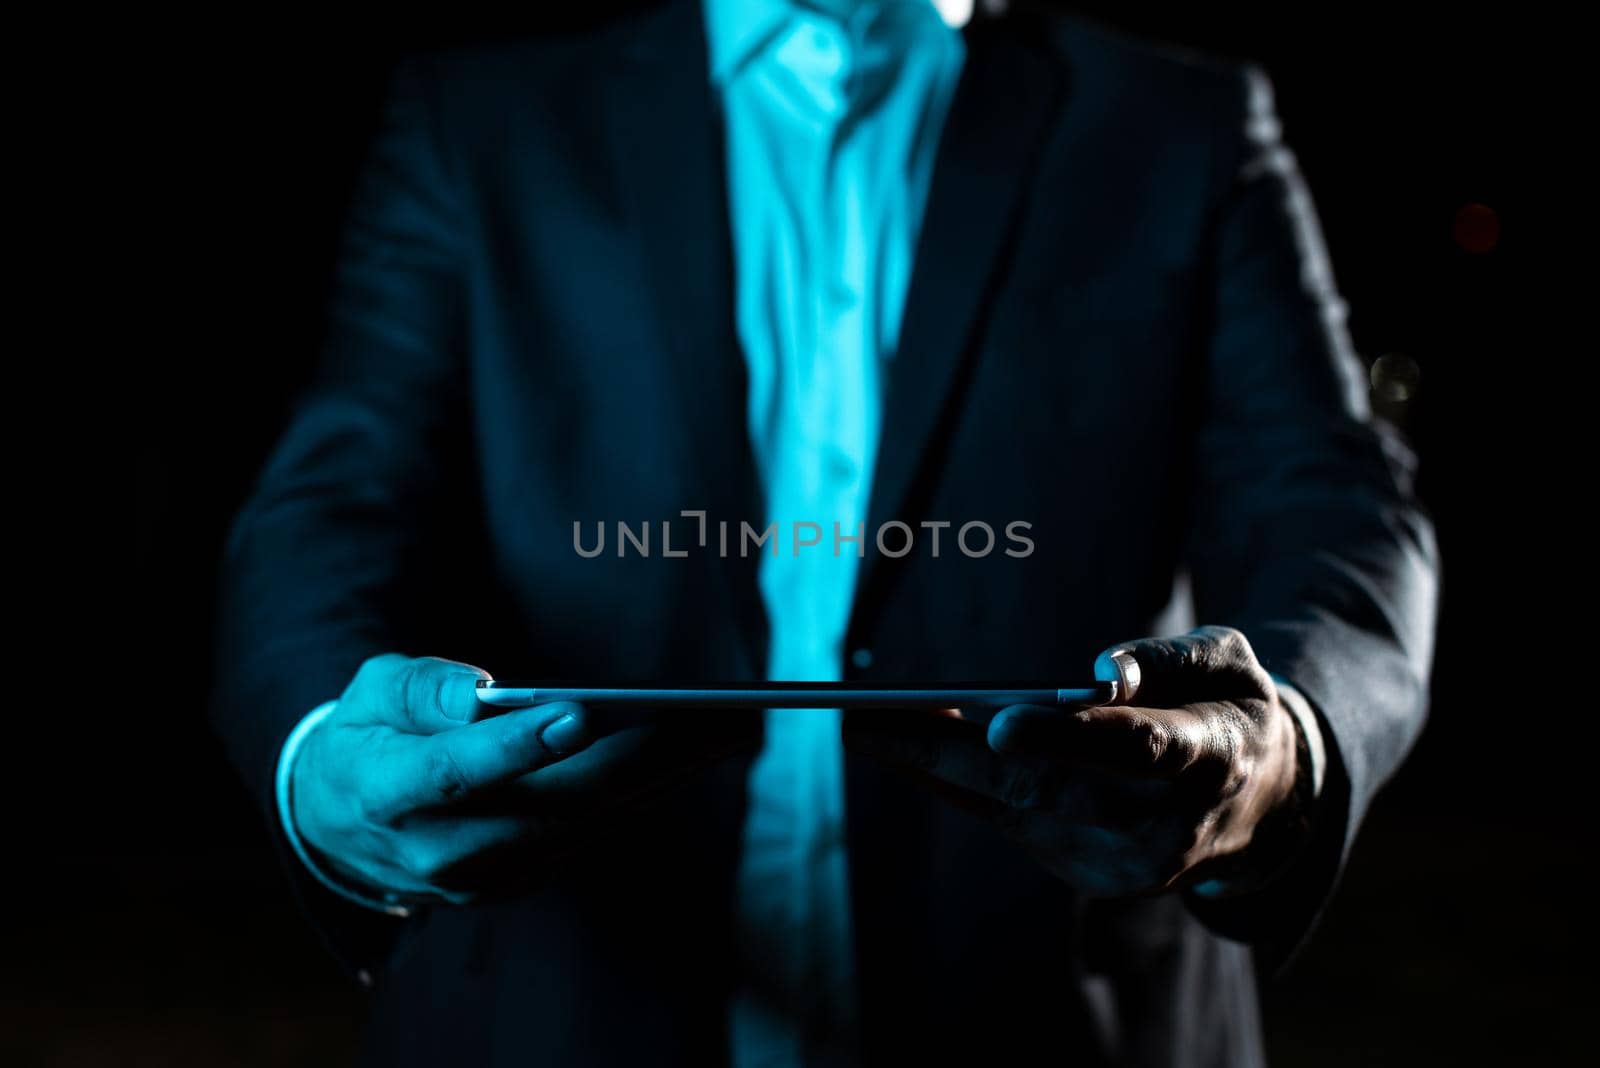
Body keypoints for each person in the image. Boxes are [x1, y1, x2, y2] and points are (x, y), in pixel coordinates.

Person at [211, 0, 1439, 1065]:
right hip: (557, 1008)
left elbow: (1332, 506)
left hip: (1061, 1015)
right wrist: (326, 756)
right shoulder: (480, 118)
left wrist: (1283, 750)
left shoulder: (1186, 124)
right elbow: (333, 501)